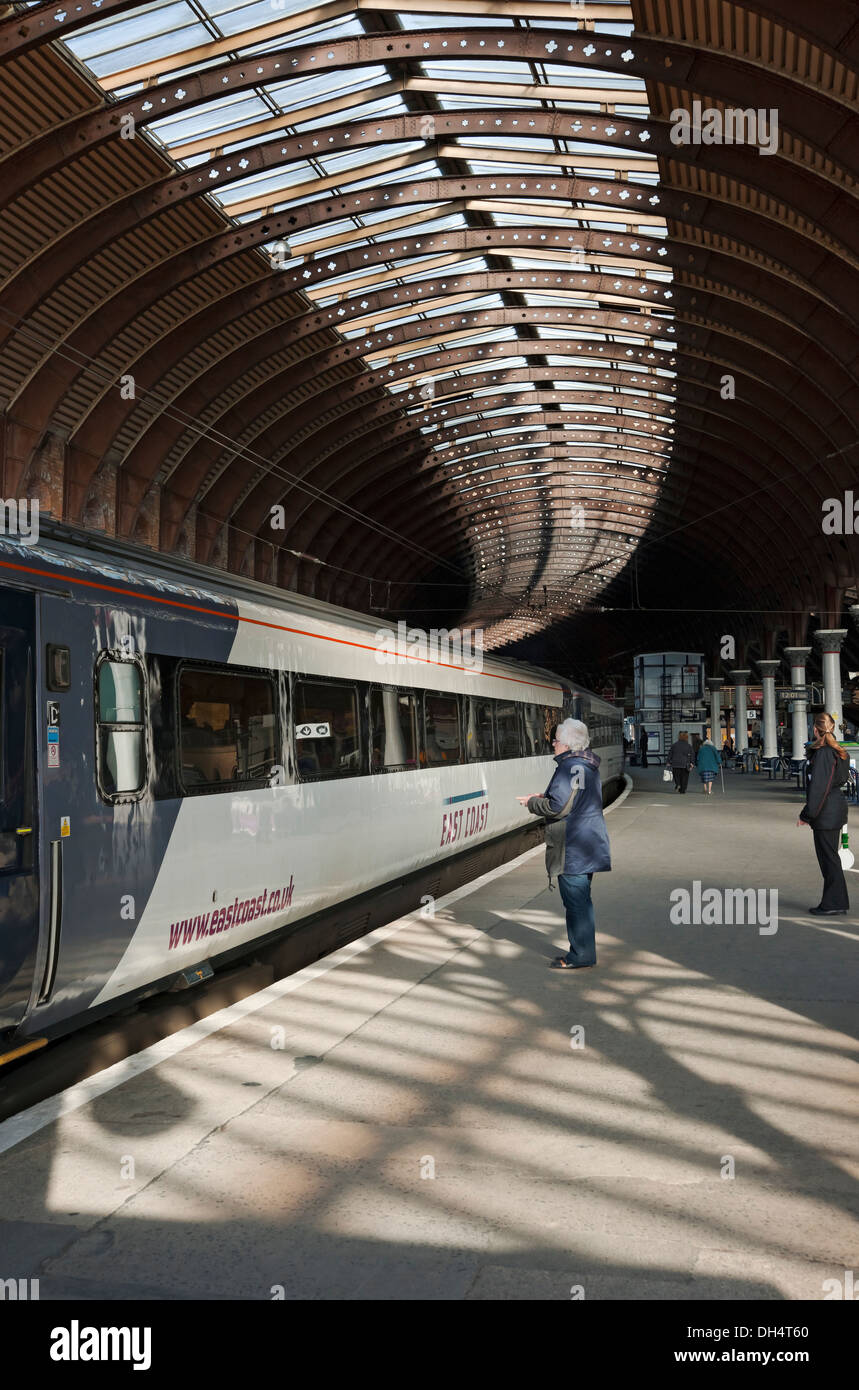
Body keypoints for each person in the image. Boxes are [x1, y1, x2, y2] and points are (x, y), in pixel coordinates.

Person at [516, 718, 611, 970]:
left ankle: (580, 955)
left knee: (576, 904)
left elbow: (557, 806)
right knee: (582, 901)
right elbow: (571, 798)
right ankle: (584, 951)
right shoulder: (586, 765)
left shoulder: (569, 767)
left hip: (573, 846)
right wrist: (545, 797)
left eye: (556, 740)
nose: (553, 744)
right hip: (589, 843)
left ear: (568, 744)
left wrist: (533, 803)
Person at [797, 712, 849, 915]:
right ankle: (837, 901)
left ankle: (834, 903)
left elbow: (819, 787)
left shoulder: (824, 753)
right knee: (831, 858)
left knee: (829, 860)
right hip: (833, 809)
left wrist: (806, 815)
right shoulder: (837, 751)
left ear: (816, 730)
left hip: (826, 813)